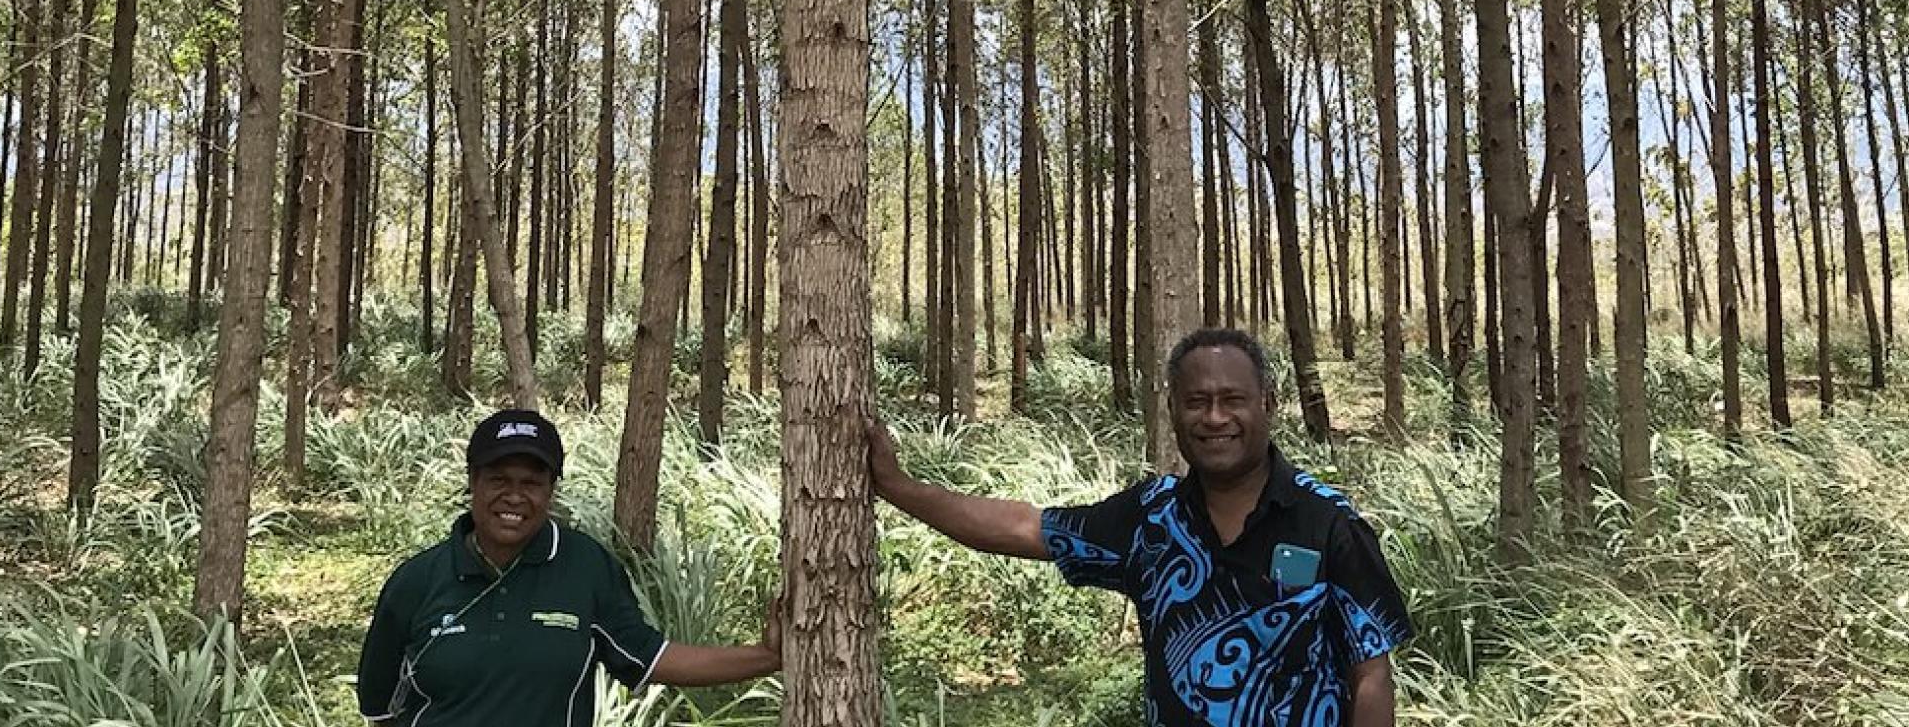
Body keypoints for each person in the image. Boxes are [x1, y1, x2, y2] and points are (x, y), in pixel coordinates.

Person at [870, 327, 1412, 726]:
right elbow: (1025, 527)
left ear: (1268, 405)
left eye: (1233, 400)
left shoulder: (1327, 520)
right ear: (1174, 409)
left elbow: (1370, 675)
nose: (1215, 418)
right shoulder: (1151, 519)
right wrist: (898, 488)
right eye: (1197, 402)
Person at [356, 408, 780, 724]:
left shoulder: (585, 568)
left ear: (551, 490)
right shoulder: (417, 581)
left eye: (531, 483)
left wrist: (766, 656)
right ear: (472, 481)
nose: (514, 496)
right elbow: (379, 707)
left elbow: (651, 658)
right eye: (499, 479)